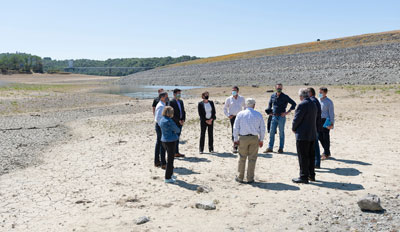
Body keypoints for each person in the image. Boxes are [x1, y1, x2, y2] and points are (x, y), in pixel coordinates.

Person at [233, 98, 265, 184]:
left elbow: (235, 128)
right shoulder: (258, 114)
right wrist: (261, 139)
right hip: (254, 138)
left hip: (243, 138)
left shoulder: (240, 114)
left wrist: (235, 139)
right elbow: (262, 128)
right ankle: (250, 178)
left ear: (246, 105)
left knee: (242, 157)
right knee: (252, 158)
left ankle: (240, 177)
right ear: (254, 105)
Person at [292, 88, 317, 184]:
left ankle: (303, 176)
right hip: (312, 134)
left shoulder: (302, 104)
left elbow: (297, 119)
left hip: (303, 134)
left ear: (301, 96)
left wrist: (294, 128)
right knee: (311, 156)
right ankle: (311, 175)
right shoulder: (313, 103)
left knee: (303, 156)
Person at [265, 84, 297, 154]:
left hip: (281, 117)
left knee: (281, 133)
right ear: (275, 88)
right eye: (278, 88)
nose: (279, 89)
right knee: (271, 132)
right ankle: (270, 147)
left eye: (280, 88)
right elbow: (270, 104)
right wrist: (269, 112)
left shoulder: (285, 96)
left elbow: (294, 104)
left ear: (282, 88)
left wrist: (287, 112)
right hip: (274, 116)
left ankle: (281, 148)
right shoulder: (273, 96)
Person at [159, 106, 181, 183]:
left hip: (164, 140)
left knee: (169, 159)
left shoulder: (162, 120)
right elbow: (177, 130)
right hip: (170, 141)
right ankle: (167, 177)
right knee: (170, 160)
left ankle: (170, 175)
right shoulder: (169, 121)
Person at [224, 86, 246, 153]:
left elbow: (245, 107)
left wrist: (244, 114)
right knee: (234, 131)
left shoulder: (241, 98)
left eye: (235, 90)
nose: (233, 92)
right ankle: (235, 147)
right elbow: (225, 108)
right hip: (232, 117)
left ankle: (241, 146)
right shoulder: (228, 99)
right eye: (232, 90)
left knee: (241, 131)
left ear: (237, 91)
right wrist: (228, 115)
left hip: (240, 117)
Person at [318, 87, 335, 160]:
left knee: (326, 137)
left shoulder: (329, 102)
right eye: (319, 92)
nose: (320, 94)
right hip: (318, 120)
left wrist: (332, 123)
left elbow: (331, 113)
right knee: (319, 136)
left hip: (326, 121)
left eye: (321, 93)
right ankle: (327, 151)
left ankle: (326, 152)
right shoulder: (318, 100)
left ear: (325, 93)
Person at [308, 87, 322, 169]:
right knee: (315, 144)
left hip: (313, 126)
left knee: (314, 145)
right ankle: (316, 162)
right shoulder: (315, 100)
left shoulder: (312, 101)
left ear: (310, 93)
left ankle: (316, 162)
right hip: (316, 125)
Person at [169, 88, 186, 158]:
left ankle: (176, 152)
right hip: (174, 122)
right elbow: (171, 114)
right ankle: (172, 153)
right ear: (174, 94)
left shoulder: (181, 101)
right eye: (178, 93)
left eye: (180, 93)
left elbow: (183, 111)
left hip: (180, 122)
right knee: (173, 138)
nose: (179, 95)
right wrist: (178, 120)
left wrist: (183, 120)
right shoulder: (171, 102)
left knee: (177, 138)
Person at [154, 92, 168, 169]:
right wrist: (163, 126)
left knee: (159, 143)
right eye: (166, 97)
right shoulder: (160, 106)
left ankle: (157, 161)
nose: (167, 98)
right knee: (162, 144)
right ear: (162, 97)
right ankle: (162, 163)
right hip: (160, 126)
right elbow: (158, 118)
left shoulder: (162, 104)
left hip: (160, 126)